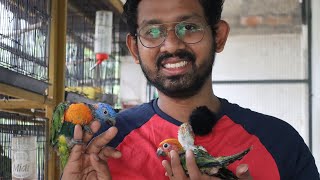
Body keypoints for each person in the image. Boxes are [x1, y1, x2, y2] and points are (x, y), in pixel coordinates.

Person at [61, 0, 320, 179]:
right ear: (134, 48)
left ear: (218, 36)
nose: (171, 45)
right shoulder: (101, 148)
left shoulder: (280, 142)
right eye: (152, 31)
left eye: (190, 27)